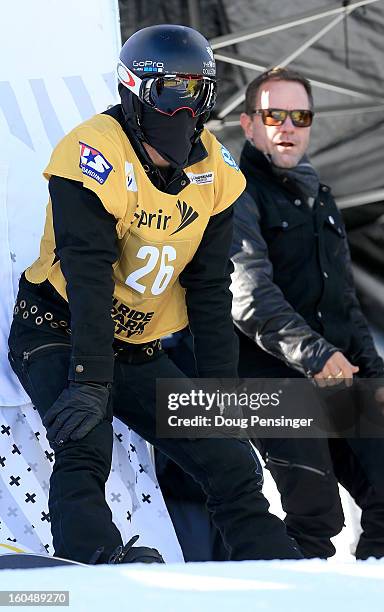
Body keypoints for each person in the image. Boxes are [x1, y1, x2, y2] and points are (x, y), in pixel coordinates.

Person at [7, 26, 302, 565]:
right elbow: (88, 271)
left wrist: (221, 398)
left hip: (136, 346)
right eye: (171, 89)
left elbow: (209, 289)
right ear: (135, 91)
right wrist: (90, 379)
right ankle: (94, 561)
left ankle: (281, 568)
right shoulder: (92, 153)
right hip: (58, 328)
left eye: (199, 91)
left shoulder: (216, 173)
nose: (185, 107)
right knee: (85, 440)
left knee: (230, 461)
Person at [231, 67, 384, 559]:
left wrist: (374, 375)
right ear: (248, 124)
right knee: (316, 514)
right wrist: (316, 355)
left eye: (300, 116)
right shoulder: (235, 192)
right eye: (273, 115)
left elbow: (344, 299)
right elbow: (248, 295)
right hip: (270, 378)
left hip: (335, 376)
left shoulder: (320, 196)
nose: (288, 126)